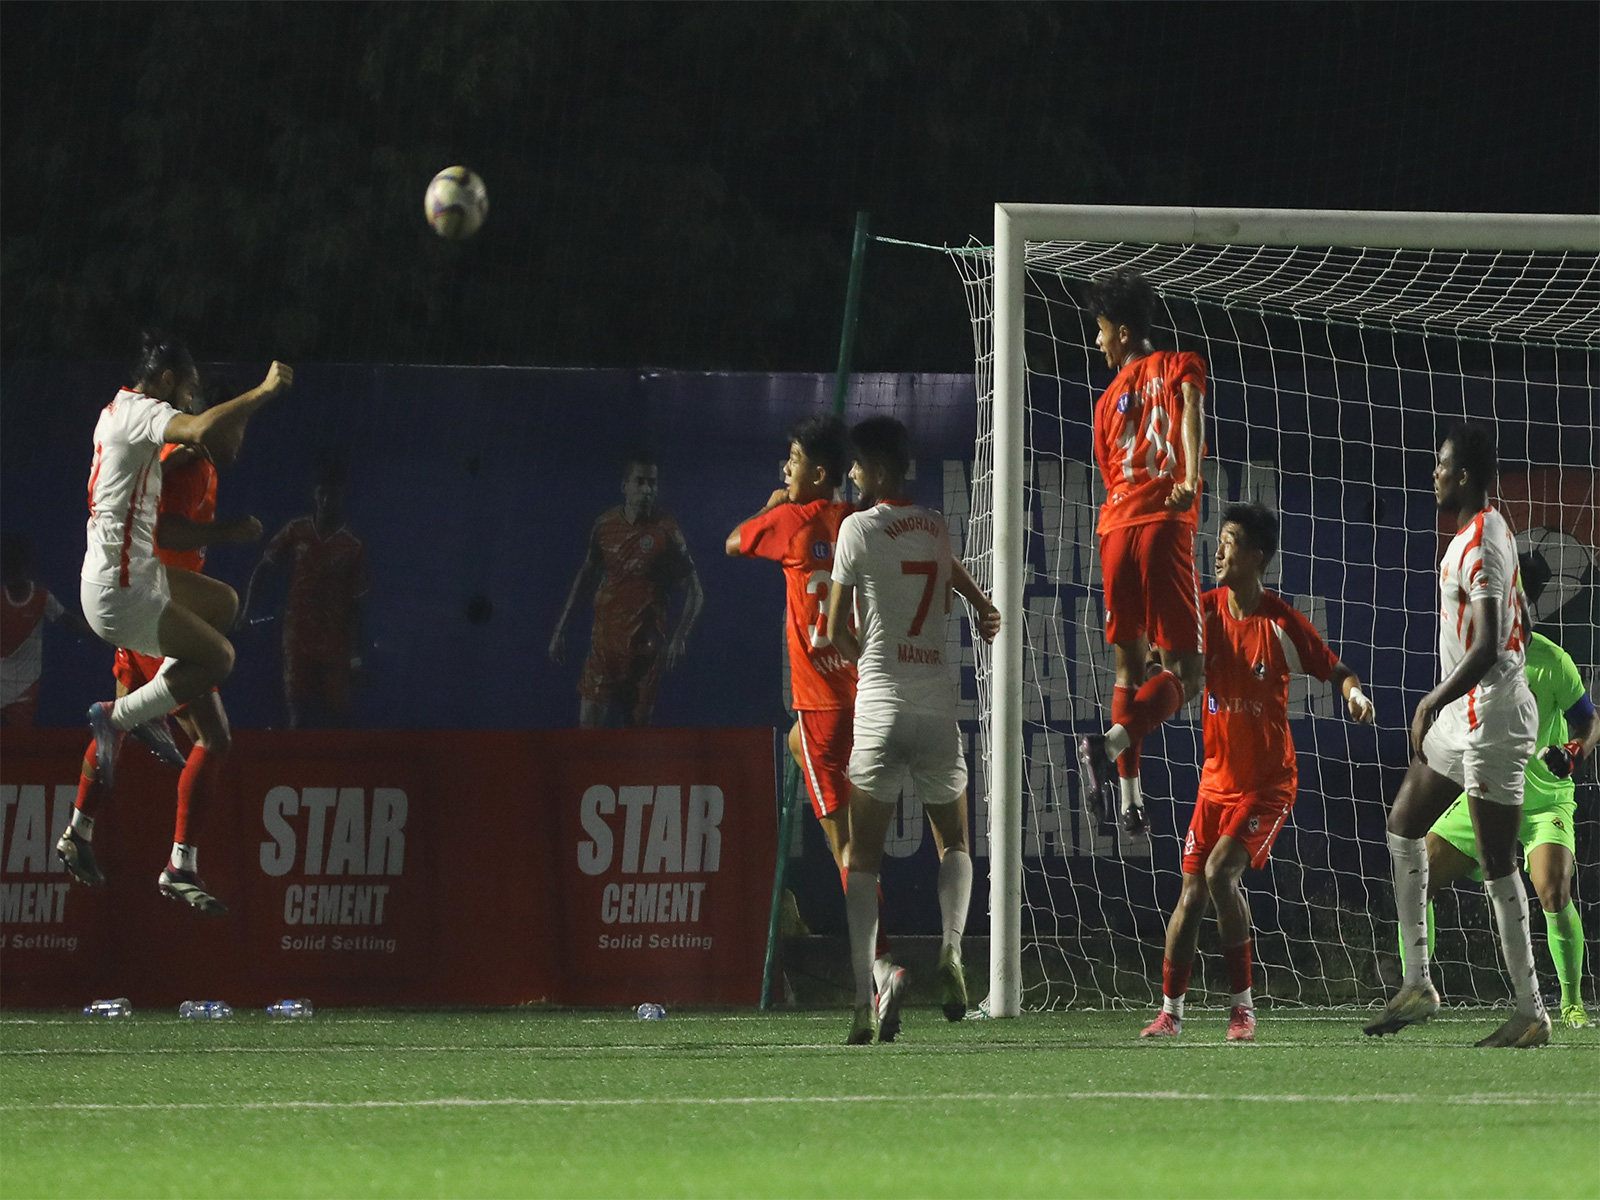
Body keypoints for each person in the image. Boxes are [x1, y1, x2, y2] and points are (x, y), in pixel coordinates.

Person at [63, 333, 291, 912]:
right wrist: (262, 392)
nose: (191, 403)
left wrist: (231, 424)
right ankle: (177, 855)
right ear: (166, 382)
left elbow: (211, 436)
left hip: (133, 583)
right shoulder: (154, 424)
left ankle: (79, 829)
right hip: (131, 596)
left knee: (227, 605)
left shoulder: (123, 413)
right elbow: (195, 442)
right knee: (217, 677)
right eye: (187, 390)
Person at [1138, 503, 1374, 1042]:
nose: (1218, 550)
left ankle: (1242, 1010)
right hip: (1215, 781)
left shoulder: (1279, 621)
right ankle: (1171, 1013)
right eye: (1218, 540)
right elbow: (1161, 661)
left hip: (1268, 785)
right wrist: (1155, 675)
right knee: (1191, 894)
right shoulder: (1201, 615)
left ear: (1257, 557)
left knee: (1222, 874)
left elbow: (1333, 667)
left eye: (1231, 541)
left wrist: (1355, 695)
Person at [1365, 422, 1550, 1048]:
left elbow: (1493, 639)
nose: (1434, 475)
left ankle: (1531, 1012)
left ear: (1465, 475)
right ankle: (1418, 983)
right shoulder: (1475, 532)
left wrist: (1431, 697)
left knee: (1498, 862)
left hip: (1493, 716)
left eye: (1441, 466)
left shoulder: (1483, 545)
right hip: (1463, 716)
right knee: (1404, 821)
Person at [825, 416, 1000, 1045]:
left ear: (875, 471)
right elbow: (948, 567)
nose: (850, 475)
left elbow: (832, 628)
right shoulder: (932, 523)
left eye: (855, 466)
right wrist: (982, 606)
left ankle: (862, 1001)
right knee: (954, 843)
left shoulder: (856, 528)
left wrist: (860, 658)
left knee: (861, 859)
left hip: (880, 704)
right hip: (935, 708)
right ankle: (952, 952)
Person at [1075, 269, 1208, 837]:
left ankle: (1129, 801)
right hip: (1162, 524)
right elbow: (1189, 412)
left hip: (1115, 532)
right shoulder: (1182, 363)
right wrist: (1191, 477)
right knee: (1189, 674)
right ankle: (1105, 747)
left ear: (1124, 332)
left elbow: (1111, 476)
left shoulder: (1105, 404)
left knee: (1130, 668)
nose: (1097, 341)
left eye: (1101, 330)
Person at [1411, 624, 1597, 1028]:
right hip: (1487, 793)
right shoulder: (1480, 658)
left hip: (1543, 803)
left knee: (1552, 890)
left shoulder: (1554, 662)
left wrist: (1573, 752)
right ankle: (1416, 988)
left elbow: (1589, 721)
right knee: (1417, 875)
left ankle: (1572, 1004)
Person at [550, 453, 703, 728]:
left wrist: (680, 637)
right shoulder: (604, 526)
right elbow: (586, 574)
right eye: (640, 482)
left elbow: (696, 591)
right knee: (589, 738)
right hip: (604, 650)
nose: (647, 490)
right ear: (625, 486)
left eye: (652, 483)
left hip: (644, 656)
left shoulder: (665, 531)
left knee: (634, 746)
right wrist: (561, 628)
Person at [240, 466, 368, 728]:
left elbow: (356, 606)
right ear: (314, 495)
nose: (326, 500)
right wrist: (246, 612)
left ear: (341, 497)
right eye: (322, 493)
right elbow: (264, 567)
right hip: (298, 632)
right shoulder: (296, 530)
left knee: (337, 712)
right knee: (296, 711)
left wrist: (355, 655)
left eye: (333, 494)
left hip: (335, 639)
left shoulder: (352, 545)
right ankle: (292, 765)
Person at [1, 533, 95, 726]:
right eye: (9, 569)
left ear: (26, 568)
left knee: (19, 745)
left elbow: (70, 621)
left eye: (18, 569)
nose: (14, 576)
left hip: (25, 689)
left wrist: (102, 636)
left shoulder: (42, 598)